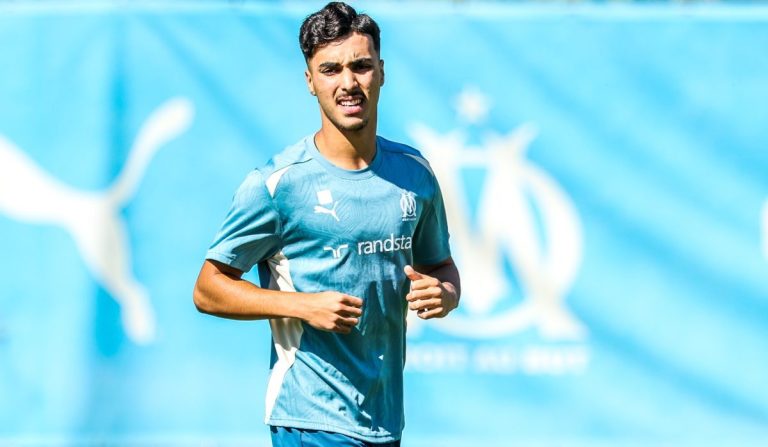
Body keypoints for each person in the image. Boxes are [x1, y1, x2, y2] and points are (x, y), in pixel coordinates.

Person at [193, 2, 461, 446]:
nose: (348, 83)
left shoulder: (415, 174)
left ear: (381, 72)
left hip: (385, 420)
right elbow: (208, 288)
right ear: (310, 81)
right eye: (331, 70)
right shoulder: (277, 184)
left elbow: (441, 265)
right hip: (310, 420)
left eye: (361, 66)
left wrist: (446, 293)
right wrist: (302, 306)